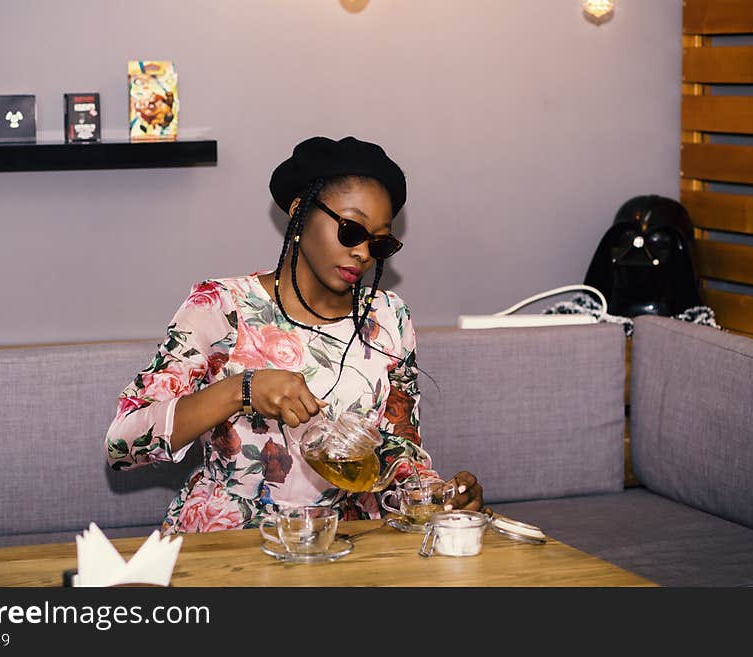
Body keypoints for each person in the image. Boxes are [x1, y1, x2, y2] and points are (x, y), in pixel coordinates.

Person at [105, 135, 484, 534]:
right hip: (231, 537)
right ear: (300, 212)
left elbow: (400, 451)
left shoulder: (389, 317)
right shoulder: (222, 306)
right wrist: (241, 390)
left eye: (379, 242)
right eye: (351, 230)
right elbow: (121, 445)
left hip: (348, 538)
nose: (363, 253)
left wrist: (438, 495)